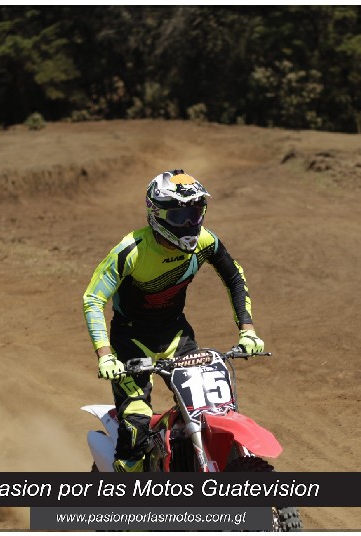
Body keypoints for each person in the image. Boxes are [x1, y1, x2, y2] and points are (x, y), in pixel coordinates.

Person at [83, 169, 265, 473]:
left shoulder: (205, 241)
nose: (190, 224)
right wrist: (105, 355)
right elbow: (93, 299)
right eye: (179, 216)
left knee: (211, 409)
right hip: (132, 340)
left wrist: (248, 331)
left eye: (195, 213)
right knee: (136, 426)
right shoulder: (131, 250)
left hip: (177, 335)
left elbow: (235, 276)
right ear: (156, 215)